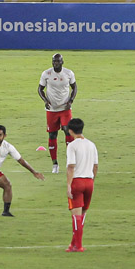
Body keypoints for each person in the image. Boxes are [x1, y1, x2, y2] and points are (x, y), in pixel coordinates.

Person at [38, 53, 77, 174]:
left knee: (67, 131)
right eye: (54, 61)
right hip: (52, 110)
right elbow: (40, 89)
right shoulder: (46, 74)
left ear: (62, 62)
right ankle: (55, 164)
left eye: (58, 61)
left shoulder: (68, 73)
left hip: (65, 109)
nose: (55, 63)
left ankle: (70, 161)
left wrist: (71, 101)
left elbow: (74, 87)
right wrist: (45, 100)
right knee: (52, 135)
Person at [65, 118, 98, 252]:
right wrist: (92, 181)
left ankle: (78, 246)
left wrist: (68, 185)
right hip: (89, 182)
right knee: (82, 214)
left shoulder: (72, 146)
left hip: (77, 182)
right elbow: (95, 166)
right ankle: (73, 244)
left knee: (76, 215)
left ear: (70, 131)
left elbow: (71, 167)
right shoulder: (92, 145)